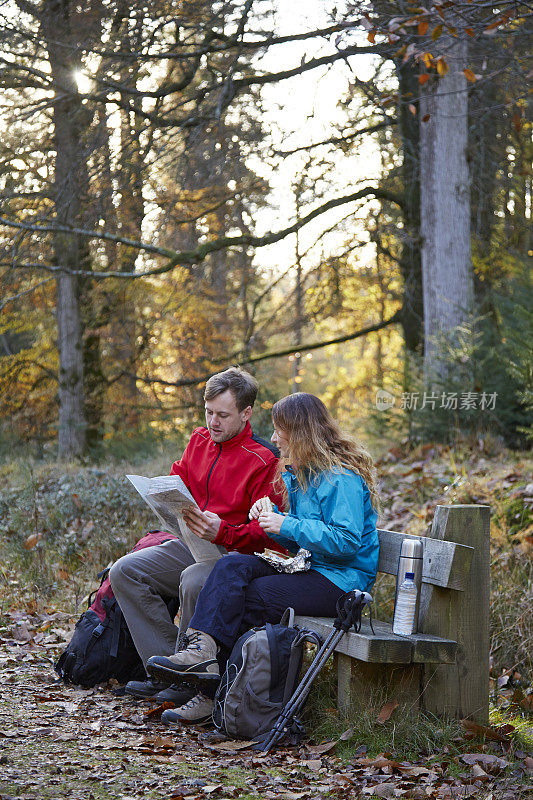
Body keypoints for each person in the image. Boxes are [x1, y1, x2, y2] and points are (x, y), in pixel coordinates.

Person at [146, 392, 380, 725]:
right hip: (312, 568)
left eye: (279, 429)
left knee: (250, 597)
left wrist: (288, 523)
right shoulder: (304, 473)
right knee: (231, 565)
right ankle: (201, 654)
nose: (272, 438)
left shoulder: (340, 479)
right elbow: (301, 539)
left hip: (341, 583)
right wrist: (269, 522)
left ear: (299, 432)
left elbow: (345, 543)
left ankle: (216, 696)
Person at [109, 367, 284, 708]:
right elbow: (179, 477)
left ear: (246, 414)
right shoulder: (199, 440)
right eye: (208, 412)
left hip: (236, 555)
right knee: (125, 572)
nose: (213, 422)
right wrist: (163, 495)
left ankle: (191, 677)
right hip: (193, 543)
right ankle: (165, 669)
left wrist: (223, 532)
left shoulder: (264, 460)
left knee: (193, 580)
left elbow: (268, 534)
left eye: (223, 415)